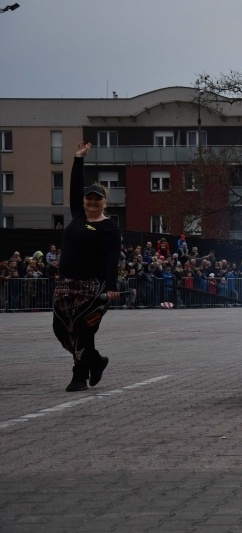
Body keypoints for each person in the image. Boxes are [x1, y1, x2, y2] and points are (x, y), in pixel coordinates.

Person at [52, 142, 121, 392]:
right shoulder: (78, 217)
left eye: (97, 199)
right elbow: (74, 188)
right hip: (66, 283)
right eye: (88, 198)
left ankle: (79, 376)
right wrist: (78, 158)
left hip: (93, 285)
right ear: (83, 201)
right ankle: (95, 360)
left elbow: (113, 258)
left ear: (104, 203)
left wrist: (112, 287)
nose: (92, 202)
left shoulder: (109, 227)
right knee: (61, 329)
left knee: (82, 330)